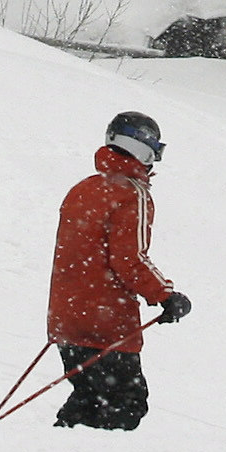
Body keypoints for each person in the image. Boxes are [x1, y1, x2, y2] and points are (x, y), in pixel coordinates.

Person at [45, 110, 189, 429]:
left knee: (88, 397)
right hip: (106, 321)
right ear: (142, 148)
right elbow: (129, 259)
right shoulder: (131, 194)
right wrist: (166, 296)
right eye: (154, 151)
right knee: (126, 403)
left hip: (66, 317)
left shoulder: (84, 188)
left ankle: (57, 448)